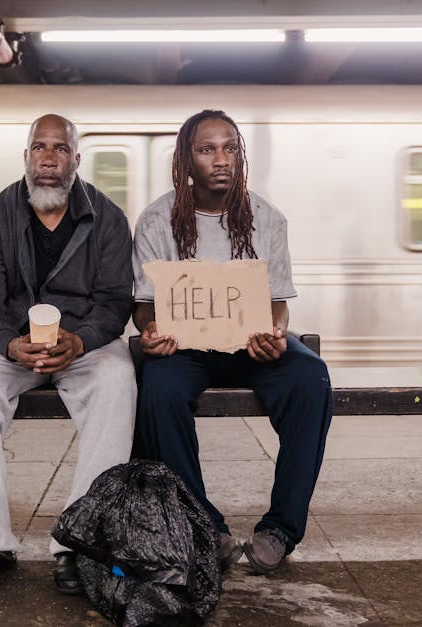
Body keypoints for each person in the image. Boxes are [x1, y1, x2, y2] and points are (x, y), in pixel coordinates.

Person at [0, 114, 137, 597]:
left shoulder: (108, 218)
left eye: (61, 148)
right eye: (39, 147)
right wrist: (9, 343)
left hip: (82, 344)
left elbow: (114, 301)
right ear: (26, 155)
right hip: (13, 344)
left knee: (117, 380)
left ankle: (77, 542)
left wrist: (82, 341)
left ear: (76, 158)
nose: (49, 158)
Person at [131, 110, 333, 574]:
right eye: (207, 149)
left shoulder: (267, 218)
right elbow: (143, 303)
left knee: (310, 378)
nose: (221, 159)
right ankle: (206, 526)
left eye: (230, 148)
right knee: (157, 387)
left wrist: (274, 331)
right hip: (187, 346)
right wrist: (150, 329)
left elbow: (278, 301)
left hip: (250, 344)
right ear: (186, 159)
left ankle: (281, 528)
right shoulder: (158, 219)